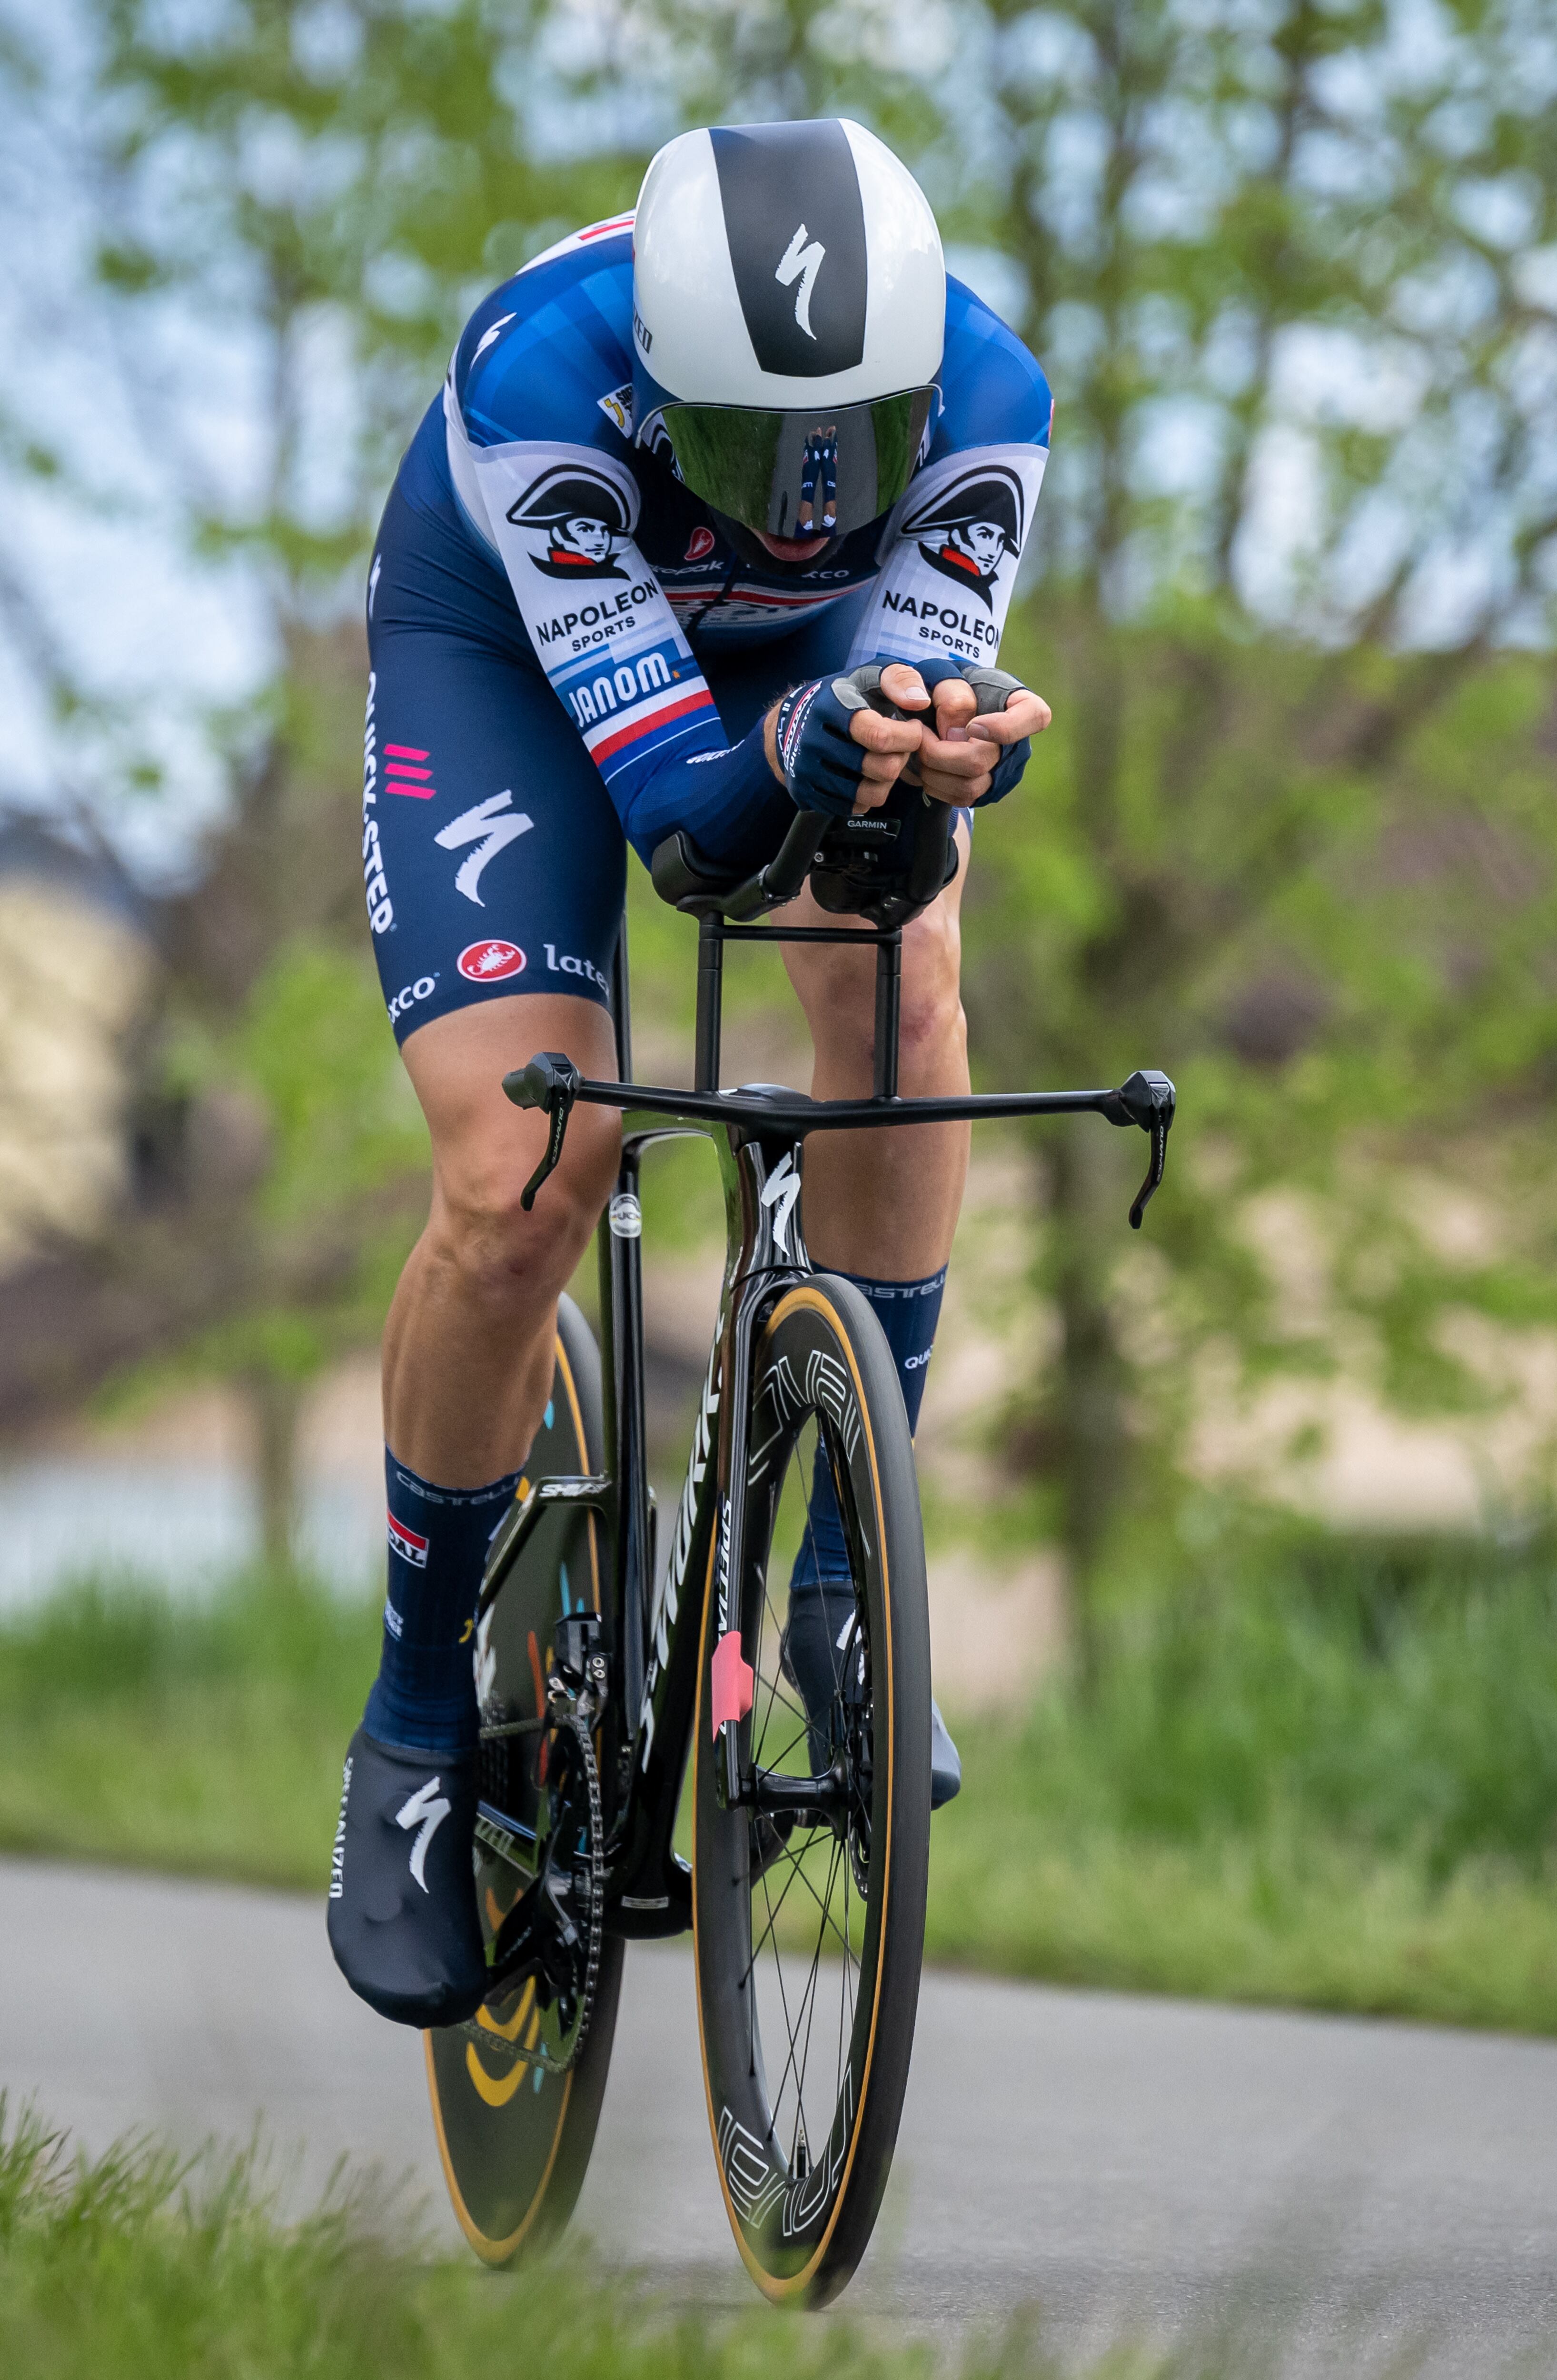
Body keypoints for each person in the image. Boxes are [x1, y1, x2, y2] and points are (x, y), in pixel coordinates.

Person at [330, 116, 1054, 2027]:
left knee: (905, 997)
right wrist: (803, 744)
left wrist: (942, 757)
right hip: (512, 662)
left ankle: (839, 1590)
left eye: (854, 456)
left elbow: (881, 827)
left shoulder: (992, 397)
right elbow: (692, 836)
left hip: (800, 677)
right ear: (660, 392)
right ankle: (414, 1720)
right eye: (748, 455)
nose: (805, 513)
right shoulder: (538, 379)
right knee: (525, 1176)